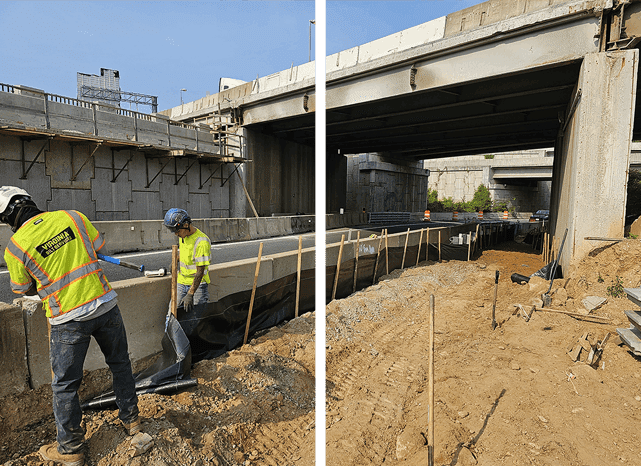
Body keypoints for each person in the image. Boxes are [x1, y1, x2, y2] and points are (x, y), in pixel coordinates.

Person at [0, 186, 140, 466]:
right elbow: (99, 249)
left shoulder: (15, 248)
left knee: (64, 386)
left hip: (68, 319)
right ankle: (133, 422)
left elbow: (23, 289)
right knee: (120, 364)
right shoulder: (73, 217)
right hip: (105, 304)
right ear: (30, 201)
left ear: (9, 218)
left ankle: (71, 449)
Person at [163, 208, 211, 312]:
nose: (176, 234)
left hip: (198, 285)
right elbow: (186, 252)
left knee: (197, 318)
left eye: (177, 231)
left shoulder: (201, 242)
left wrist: (190, 294)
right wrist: (175, 261)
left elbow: (200, 271)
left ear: (186, 225)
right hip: (181, 282)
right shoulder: (183, 235)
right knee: (172, 313)